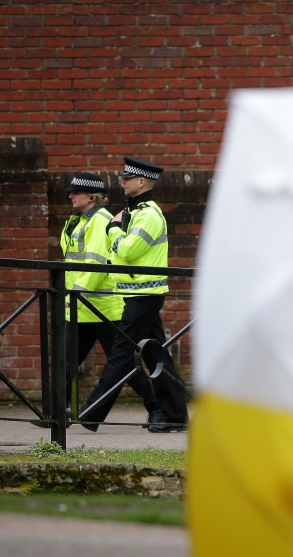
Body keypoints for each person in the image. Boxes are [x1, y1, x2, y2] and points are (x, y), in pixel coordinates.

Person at [79, 157, 188, 433]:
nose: (121, 182)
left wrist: (114, 229)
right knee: (155, 355)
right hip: (138, 294)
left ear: (141, 181)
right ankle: (174, 414)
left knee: (121, 353)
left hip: (144, 296)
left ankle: (92, 413)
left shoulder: (149, 214)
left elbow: (127, 250)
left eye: (127, 178)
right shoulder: (135, 212)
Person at [60, 172, 155, 427]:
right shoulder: (76, 220)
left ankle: (158, 407)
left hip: (102, 307)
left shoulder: (101, 220)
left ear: (91, 196)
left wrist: (74, 293)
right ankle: (56, 414)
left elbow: (95, 262)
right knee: (65, 361)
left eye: (75, 192)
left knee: (125, 366)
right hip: (82, 305)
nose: (70, 195)